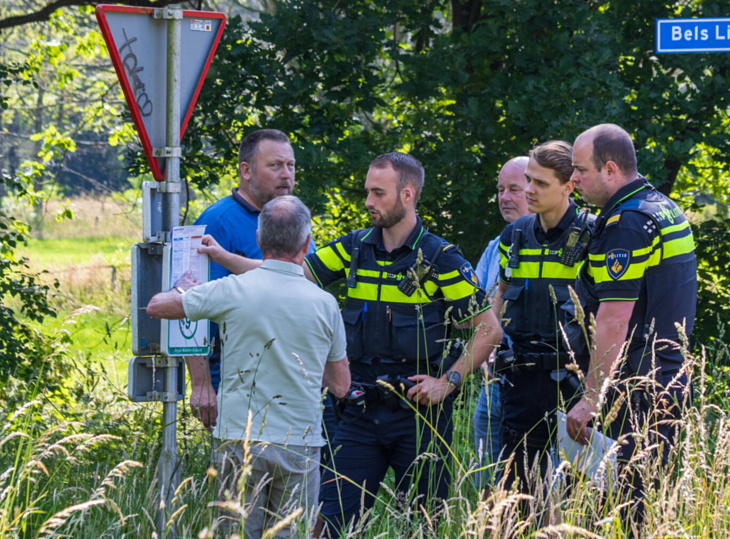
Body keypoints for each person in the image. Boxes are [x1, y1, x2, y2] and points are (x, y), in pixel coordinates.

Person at [200, 152, 503, 536]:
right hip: (359, 412)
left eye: (378, 193)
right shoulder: (354, 248)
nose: (368, 202)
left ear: (407, 195)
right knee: (325, 524)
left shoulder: (441, 258)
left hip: (421, 417)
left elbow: (488, 330)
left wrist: (448, 382)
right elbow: (285, 273)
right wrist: (225, 257)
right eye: (367, 192)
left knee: (422, 527)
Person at [147, 196, 350, 539]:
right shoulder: (325, 304)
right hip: (299, 440)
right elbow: (341, 385)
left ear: (258, 240)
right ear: (305, 244)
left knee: (237, 533)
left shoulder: (231, 291)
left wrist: (185, 287)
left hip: (240, 437)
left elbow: (156, 306)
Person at [563, 123, 697, 523]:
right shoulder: (662, 207)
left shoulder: (628, 224)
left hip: (635, 390)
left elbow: (614, 320)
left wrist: (590, 398)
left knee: (618, 514)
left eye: (580, 171)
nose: (573, 179)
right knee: (647, 509)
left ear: (609, 169)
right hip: (666, 380)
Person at [185, 129, 314, 432]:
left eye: (291, 165)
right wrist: (201, 384)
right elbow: (192, 308)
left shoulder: (294, 216)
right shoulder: (216, 221)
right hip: (238, 383)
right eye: (275, 166)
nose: (286, 175)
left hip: (293, 379)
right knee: (242, 477)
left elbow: (308, 281)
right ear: (246, 170)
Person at [491, 141, 594, 493]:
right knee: (519, 492)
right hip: (521, 380)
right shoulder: (515, 234)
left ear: (569, 186)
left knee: (578, 492)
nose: (530, 190)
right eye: (529, 180)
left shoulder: (593, 236)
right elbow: (501, 294)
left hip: (573, 380)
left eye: (541, 183)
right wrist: (489, 343)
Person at [471, 155, 528, 489]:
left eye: (514, 190)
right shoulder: (497, 247)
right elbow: (471, 310)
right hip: (493, 382)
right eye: (500, 189)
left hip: (545, 381)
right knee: (489, 477)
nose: (504, 197)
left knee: (538, 477)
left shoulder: (556, 246)